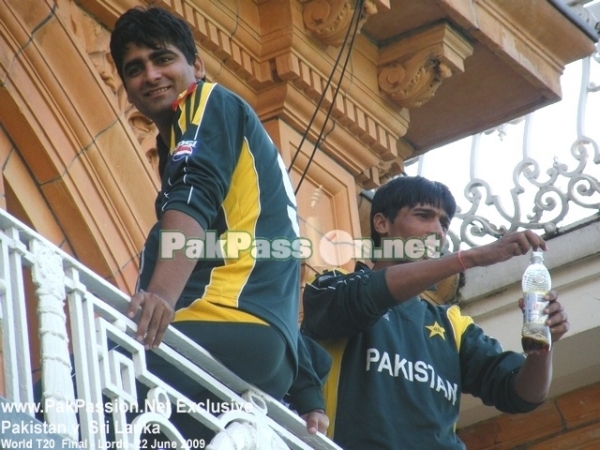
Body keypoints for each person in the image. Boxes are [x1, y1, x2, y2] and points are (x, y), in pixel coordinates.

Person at [108, 5, 328, 442]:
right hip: (263, 354)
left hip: (222, 326)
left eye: (163, 58)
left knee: (74, 392)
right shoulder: (222, 143)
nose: (150, 75)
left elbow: (195, 192)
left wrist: (161, 297)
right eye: (135, 69)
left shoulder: (206, 103)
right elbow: (265, 260)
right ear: (128, 89)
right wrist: (307, 390)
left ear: (198, 67)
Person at [301, 175, 570, 449]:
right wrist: (470, 257)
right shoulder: (333, 285)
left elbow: (521, 395)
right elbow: (364, 297)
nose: (438, 232)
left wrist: (542, 348)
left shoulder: (454, 325)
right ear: (381, 223)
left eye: (443, 223)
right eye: (423, 215)